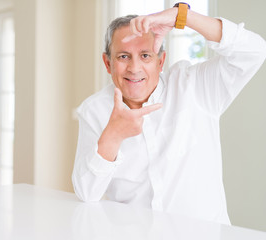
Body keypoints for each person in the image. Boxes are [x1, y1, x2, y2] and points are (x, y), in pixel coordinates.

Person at [72, 3, 266, 225]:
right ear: (108, 63)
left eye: (145, 55)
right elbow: (87, 193)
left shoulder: (195, 87)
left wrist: (182, 16)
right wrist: (112, 137)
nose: (134, 68)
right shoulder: (94, 110)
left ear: (160, 61)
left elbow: (254, 51)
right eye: (124, 57)